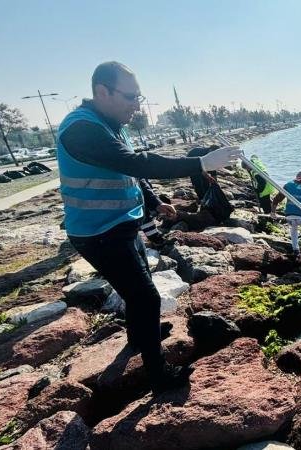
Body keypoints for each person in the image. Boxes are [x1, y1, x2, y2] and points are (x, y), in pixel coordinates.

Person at [56, 61, 242, 394]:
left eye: (138, 97)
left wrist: (154, 202)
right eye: (130, 97)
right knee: (146, 297)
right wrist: (201, 163)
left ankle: (140, 337)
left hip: (122, 224)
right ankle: (159, 375)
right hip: (98, 233)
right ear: (102, 91)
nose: (137, 106)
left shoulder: (112, 124)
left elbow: (130, 171)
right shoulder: (81, 129)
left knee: (137, 291)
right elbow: (135, 162)